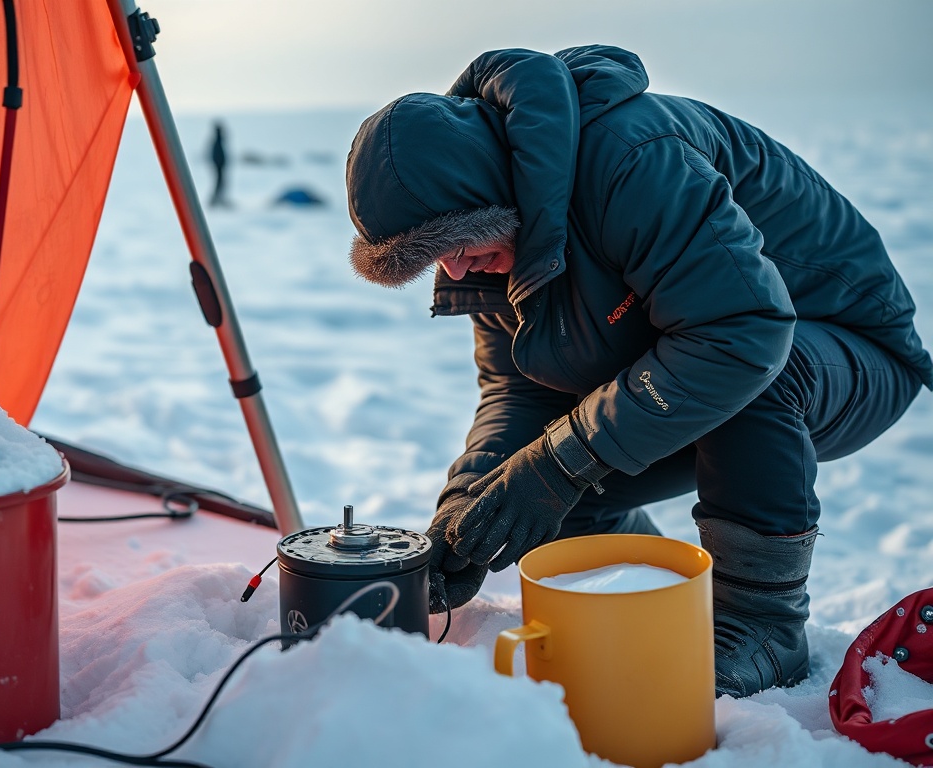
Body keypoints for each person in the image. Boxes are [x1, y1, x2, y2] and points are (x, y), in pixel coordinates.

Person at [343, 46, 933, 698]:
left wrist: (561, 462)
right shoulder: (498, 248)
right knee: (533, 506)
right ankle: (644, 588)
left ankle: (764, 626)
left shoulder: (632, 156)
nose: (452, 269)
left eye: (454, 241)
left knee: (742, 375)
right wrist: (468, 505)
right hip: (699, 356)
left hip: (849, 354)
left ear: (490, 195)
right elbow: (516, 390)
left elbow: (743, 333)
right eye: (431, 258)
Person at [208, 121, 229, 207]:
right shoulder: (217, 141)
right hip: (219, 165)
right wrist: (218, 163)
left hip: (219, 165)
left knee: (220, 182)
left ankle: (218, 199)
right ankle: (216, 199)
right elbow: (216, 155)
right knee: (219, 182)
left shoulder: (218, 140)